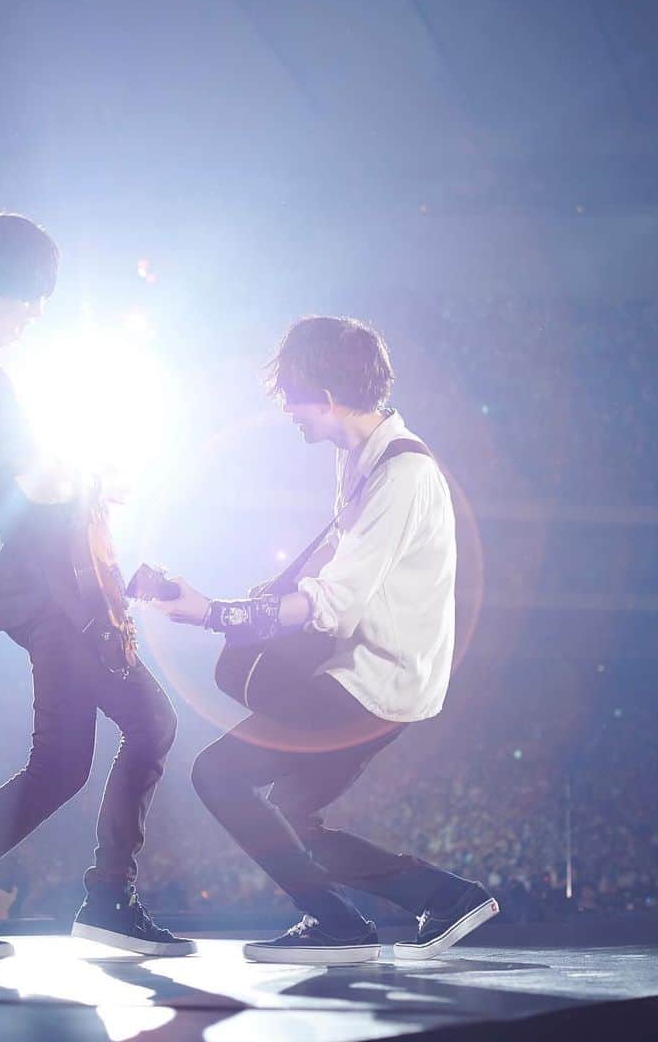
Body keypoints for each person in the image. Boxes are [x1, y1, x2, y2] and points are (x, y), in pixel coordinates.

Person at [0, 212, 194, 961]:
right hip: (56, 592)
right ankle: (93, 903)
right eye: (28, 301)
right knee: (146, 728)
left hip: (41, 589)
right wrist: (83, 471)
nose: (33, 318)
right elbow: (24, 484)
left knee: (65, 763)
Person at [152, 315, 497, 965]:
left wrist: (213, 614)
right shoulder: (359, 458)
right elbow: (341, 567)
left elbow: (335, 606)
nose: (286, 411)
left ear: (326, 395)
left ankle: (336, 923)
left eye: (289, 395)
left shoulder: (402, 474)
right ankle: (444, 898)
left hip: (374, 681)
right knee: (288, 815)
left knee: (219, 775)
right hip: (376, 673)